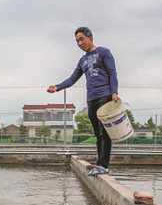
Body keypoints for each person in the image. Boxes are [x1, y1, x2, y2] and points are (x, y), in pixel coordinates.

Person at [47, 27, 119, 176]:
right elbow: (73, 78)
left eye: (81, 39)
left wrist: (114, 93)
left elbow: (112, 73)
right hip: (91, 98)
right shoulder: (83, 60)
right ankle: (100, 164)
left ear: (90, 37)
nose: (79, 43)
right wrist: (57, 87)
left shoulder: (104, 52)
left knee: (103, 131)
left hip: (104, 95)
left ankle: (104, 165)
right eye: (77, 41)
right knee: (97, 133)